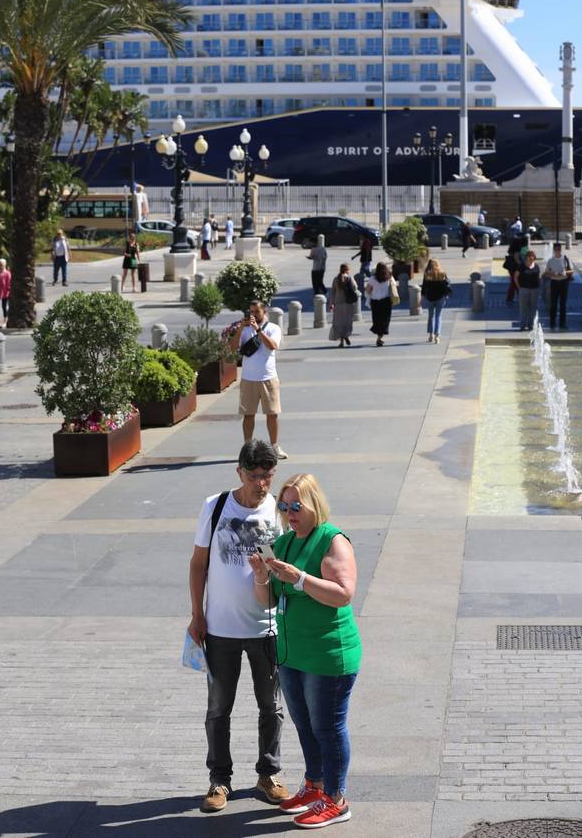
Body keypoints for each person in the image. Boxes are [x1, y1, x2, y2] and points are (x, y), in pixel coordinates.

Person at [249, 473, 361, 830]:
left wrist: (299, 578)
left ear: (314, 504)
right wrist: (261, 576)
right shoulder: (282, 544)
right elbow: (267, 601)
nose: (289, 512)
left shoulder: (333, 540)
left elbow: (343, 593)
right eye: (284, 506)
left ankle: (336, 798)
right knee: (305, 725)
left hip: (328, 655)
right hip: (292, 653)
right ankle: (314, 786)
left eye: (296, 506)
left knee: (328, 727)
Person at [189, 441, 290, 813]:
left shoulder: (279, 510)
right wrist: (197, 615)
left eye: (267, 475)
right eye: (254, 476)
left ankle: (269, 773)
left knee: (271, 707)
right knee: (218, 709)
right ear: (239, 471)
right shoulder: (215, 506)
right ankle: (219, 780)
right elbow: (198, 563)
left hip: (266, 627)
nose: (261, 484)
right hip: (220, 629)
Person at [231, 299, 288, 460]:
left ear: (265, 312)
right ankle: (247, 449)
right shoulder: (244, 329)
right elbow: (233, 347)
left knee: (272, 414)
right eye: (251, 312)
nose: (253, 315)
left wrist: (258, 330)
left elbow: (272, 346)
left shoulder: (273, 328)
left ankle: (274, 446)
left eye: (257, 312)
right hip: (248, 378)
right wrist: (240, 329)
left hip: (268, 377)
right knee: (248, 415)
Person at [365, 260, 397, 347]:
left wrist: (372, 291)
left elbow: (367, 290)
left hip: (375, 302)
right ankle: (380, 337)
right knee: (385, 320)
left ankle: (379, 337)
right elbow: (394, 286)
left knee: (377, 320)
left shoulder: (372, 279)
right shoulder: (389, 277)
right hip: (386, 302)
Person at [421, 258, 451, 344]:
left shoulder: (427, 274)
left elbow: (424, 286)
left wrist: (423, 296)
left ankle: (431, 335)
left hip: (430, 297)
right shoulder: (442, 273)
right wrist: (446, 295)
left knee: (431, 316)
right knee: (438, 316)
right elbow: (447, 285)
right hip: (440, 298)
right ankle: (437, 336)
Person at [545, 242, 573, 331]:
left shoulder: (565, 259)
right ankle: (552, 323)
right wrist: (553, 273)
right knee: (553, 304)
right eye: (556, 249)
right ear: (553, 250)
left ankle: (562, 323)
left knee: (563, 304)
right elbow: (546, 273)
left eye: (559, 249)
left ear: (561, 250)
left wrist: (565, 272)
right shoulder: (550, 260)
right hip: (554, 282)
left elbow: (571, 271)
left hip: (564, 282)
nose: (558, 251)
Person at [329, 263, 358, 348]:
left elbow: (333, 292)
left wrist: (331, 303)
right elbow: (355, 287)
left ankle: (341, 341)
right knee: (347, 321)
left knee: (339, 323)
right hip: (348, 303)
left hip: (338, 303)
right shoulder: (349, 278)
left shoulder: (336, 279)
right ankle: (346, 335)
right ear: (347, 270)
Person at [514, 248, 540, 331]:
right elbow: (515, 277)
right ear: (526, 257)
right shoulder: (521, 266)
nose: (531, 258)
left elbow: (539, 277)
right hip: (523, 289)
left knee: (533, 308)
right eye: (529, 256)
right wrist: (519, 287)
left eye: (532, 256)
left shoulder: (536, 266)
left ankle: (531, 325)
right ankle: (522, 325)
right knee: (523, 308)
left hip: (534, 290)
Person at [505, 233, 528, 305]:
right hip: (516, 267)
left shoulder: (513, 246)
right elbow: (518, 258)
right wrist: (523, 266)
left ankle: (513, 298)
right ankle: (515, 298)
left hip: (511, 267)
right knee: (516, 282)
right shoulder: (520, 247)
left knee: (514, 282)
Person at [0, 258, 11, 328]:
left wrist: (8, 291)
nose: (0, 266)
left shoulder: (7, 273)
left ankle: (5, 322)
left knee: (4, 307)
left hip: (5, 293)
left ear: (5, 265)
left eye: (1, 265)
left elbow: (9, 284)